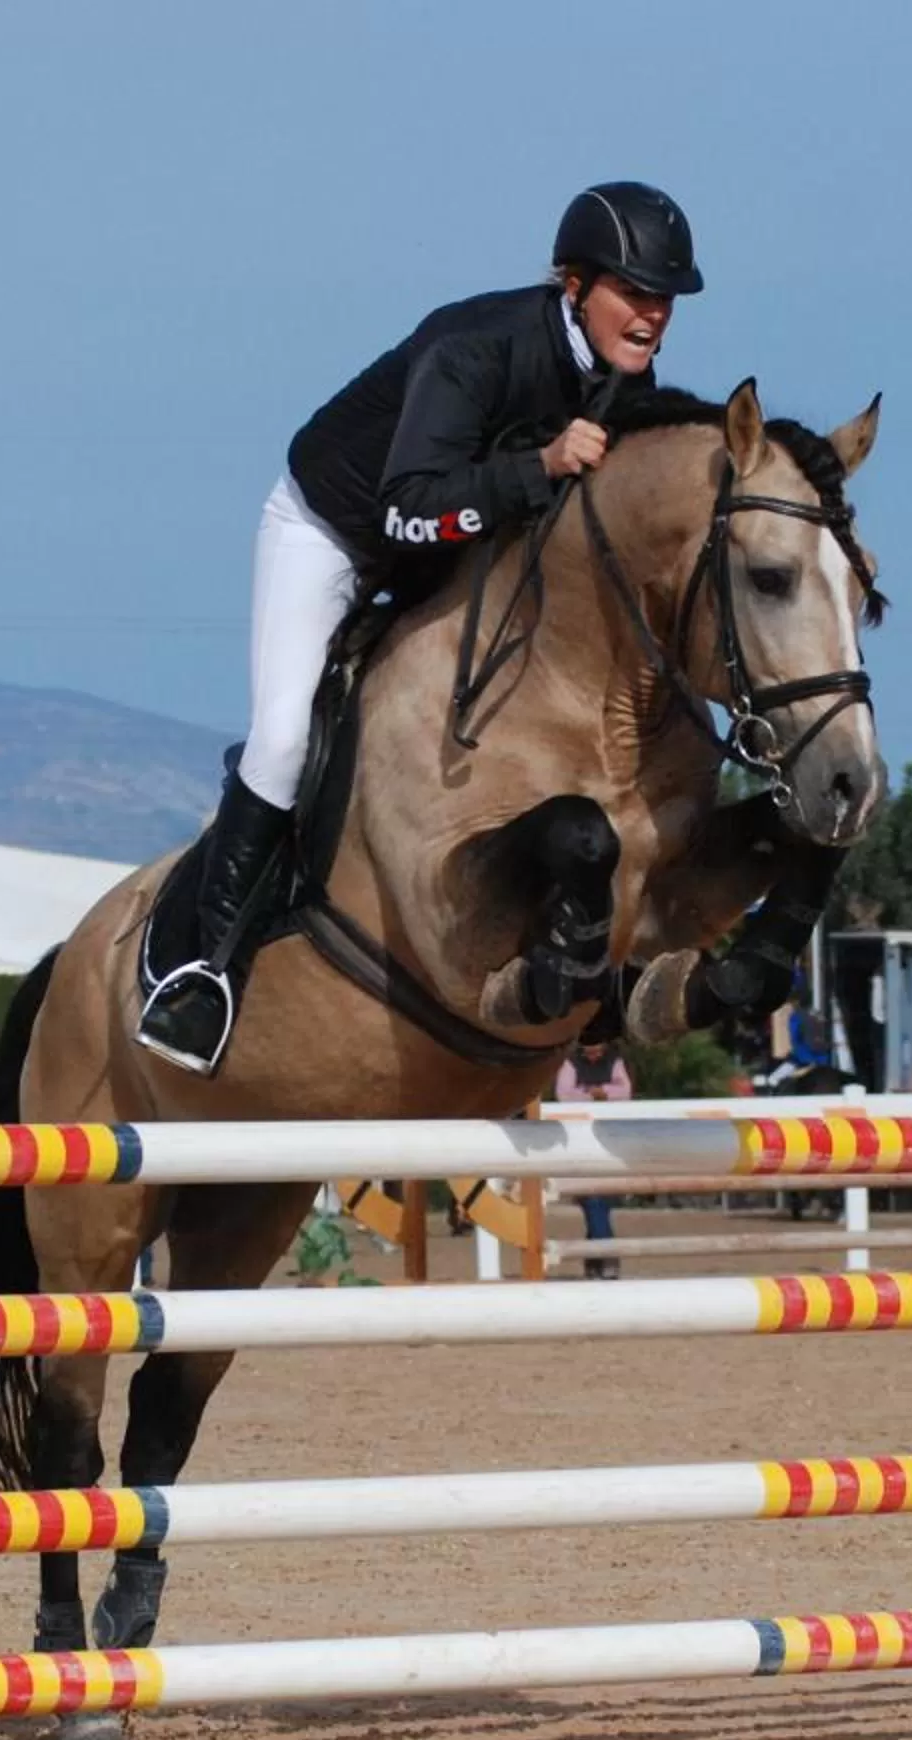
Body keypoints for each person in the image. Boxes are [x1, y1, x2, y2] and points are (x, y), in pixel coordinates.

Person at [136, 181, 705, 1075]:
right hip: (339, 534)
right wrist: (541, 464)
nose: (653, 315)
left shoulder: (622, 383)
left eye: (664, 299)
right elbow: (406, 509)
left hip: (452, 558)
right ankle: (199, 969)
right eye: (635, 292)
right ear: (574, 285)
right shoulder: (473, 346)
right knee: (286, 738)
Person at [556, 1037, 634, 1278]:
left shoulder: (615, 1061)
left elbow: (625, 1091)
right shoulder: (571, 1063)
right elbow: (563, 1094)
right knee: (593, 1202)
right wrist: (594, 1094)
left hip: (611, 1141)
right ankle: (606, 1257)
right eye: (589, 1049)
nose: (592, 1054)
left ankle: (595, 1260)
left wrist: (602, 1092)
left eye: (596, 1049)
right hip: (580, 1141)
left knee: (599, 1204)